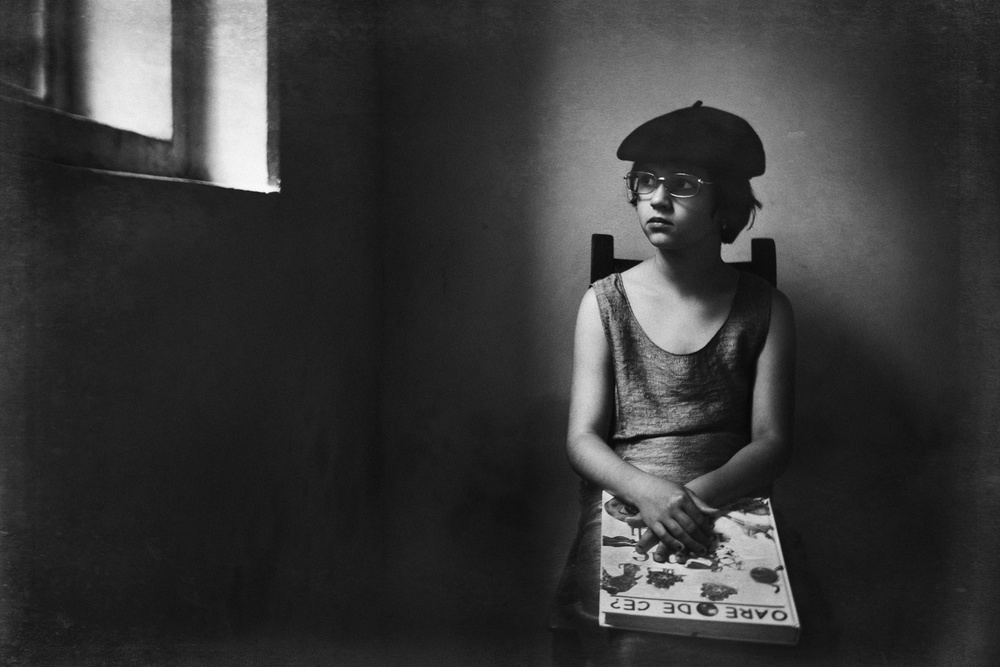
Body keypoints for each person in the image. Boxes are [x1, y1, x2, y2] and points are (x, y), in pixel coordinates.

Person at [551, 102, 796, 664]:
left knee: (760, 636)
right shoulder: (604, 303)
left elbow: (773, 441)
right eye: (645, 181)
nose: (657, 200)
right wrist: (649, 493)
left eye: (682, 184)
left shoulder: (768, 308)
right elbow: (582, 439)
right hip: (628, 500)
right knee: (626, 643)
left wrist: (694, 498)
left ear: (723, 203)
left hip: (730, 496)